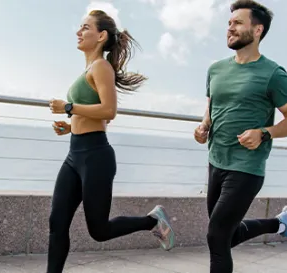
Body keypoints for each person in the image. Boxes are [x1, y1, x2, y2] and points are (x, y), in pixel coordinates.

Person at [44, 9, 176, 273]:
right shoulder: (87, 71)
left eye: (85, 28)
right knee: (57, 223)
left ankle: (152, 221)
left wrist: (69, 107)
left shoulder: (101, 67)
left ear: (101, 36)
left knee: (99, 230)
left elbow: (109, 110)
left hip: (96, 157)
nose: (78, 32)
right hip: (74, 155)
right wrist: (71, 127)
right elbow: (101, 117)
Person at [194, 1, 287, 272]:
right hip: (216, 161)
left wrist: (264, 133)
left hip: (246, 167)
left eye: (238, 23)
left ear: (257, 30)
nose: (230, 27)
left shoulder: (273, 74)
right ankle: (279, 224)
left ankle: (279, 224)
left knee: (216, 236)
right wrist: (204, 125)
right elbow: (213, 105)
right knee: (226, 235)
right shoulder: (216, 69)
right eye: (229, 23)